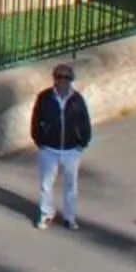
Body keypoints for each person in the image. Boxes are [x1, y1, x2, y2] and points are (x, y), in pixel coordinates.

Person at [31, 62, 92, 229]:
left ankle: (69, 217)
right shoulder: (44, 97)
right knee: (46, 183)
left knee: (71, 184)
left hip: (71, 149)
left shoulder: (77, 99)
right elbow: (36, 120)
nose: (62, 81)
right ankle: (46, 213)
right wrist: (40, 141)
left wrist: (82, 142)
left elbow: (84, 122)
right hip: (49, 148)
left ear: (71, 79)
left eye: (66, 77)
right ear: (54, 79)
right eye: (59, 77)